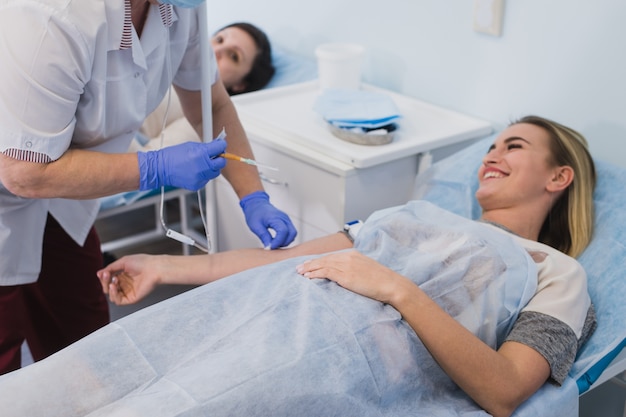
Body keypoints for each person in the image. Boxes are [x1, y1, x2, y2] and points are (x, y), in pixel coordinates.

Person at [95, 115, 598, 417]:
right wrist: (161, 266)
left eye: (514, 146)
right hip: (262, 331)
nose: (491, 156)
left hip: (328, 377)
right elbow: (288, 261)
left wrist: (395, 288)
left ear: (559, 176)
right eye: (491, 146)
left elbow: (504, 390)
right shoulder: (414, 219)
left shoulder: (555, 272)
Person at [0, 0, 296, 376]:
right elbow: (24, 172)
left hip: (61, 201)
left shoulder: (181, 10)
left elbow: (214, 103)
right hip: (14, 181)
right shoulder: (49, 17)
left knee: (85, 346)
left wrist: (253, 196)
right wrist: (155, 166)